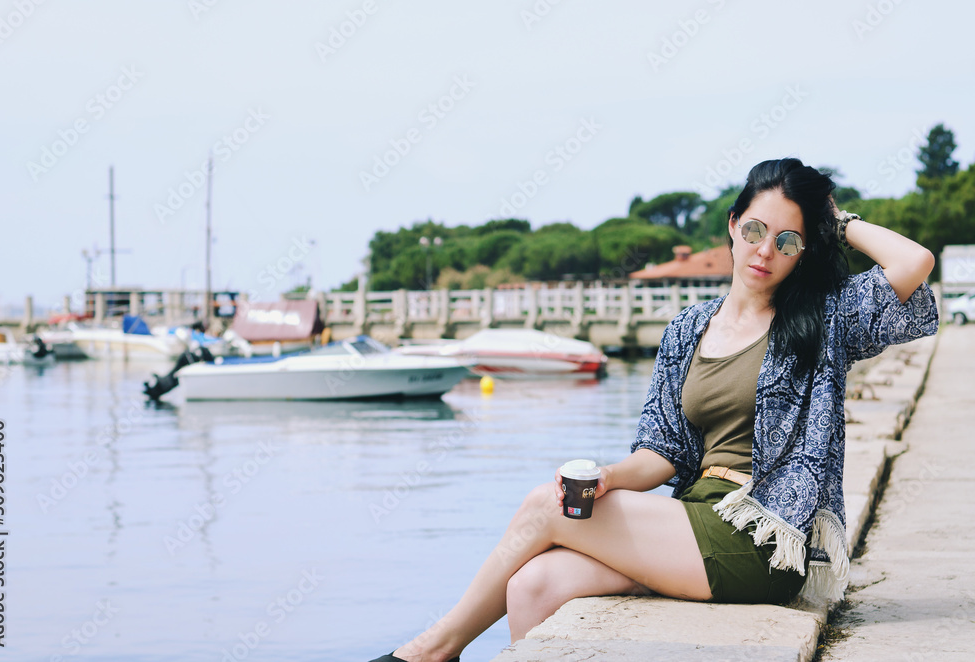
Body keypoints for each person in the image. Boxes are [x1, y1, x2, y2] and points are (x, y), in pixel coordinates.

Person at [368, 158, 939, 662]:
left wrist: (838, 222)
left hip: (765, 535)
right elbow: (659, 452)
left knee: (544, 507)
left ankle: (435, 648)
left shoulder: (823, 320)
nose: (767, 251)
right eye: (758, 230)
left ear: (803, 251)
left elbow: (915, 263)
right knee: (533, 585)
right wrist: (611, 479)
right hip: (694, 516)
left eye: (788, 241)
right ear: (734, 227)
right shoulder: (687, 328)